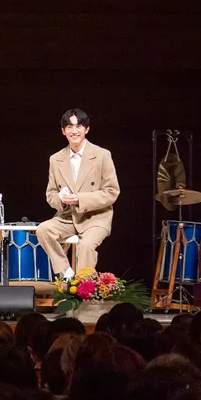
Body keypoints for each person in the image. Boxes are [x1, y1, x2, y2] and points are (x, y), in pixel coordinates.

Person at [36, 108, 119, 279]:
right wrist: (61, 199)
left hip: (96, 217)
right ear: (63, 131)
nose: (74, 131)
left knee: (86, 246)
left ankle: (84, 287)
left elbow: (112, 192)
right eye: (69, 127)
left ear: (86, 129)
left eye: (79, 126)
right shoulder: (56, 159)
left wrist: (80, 199)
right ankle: (66, 272)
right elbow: (50, 194)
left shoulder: (102, 155)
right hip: (67, 217)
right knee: (43, 229)